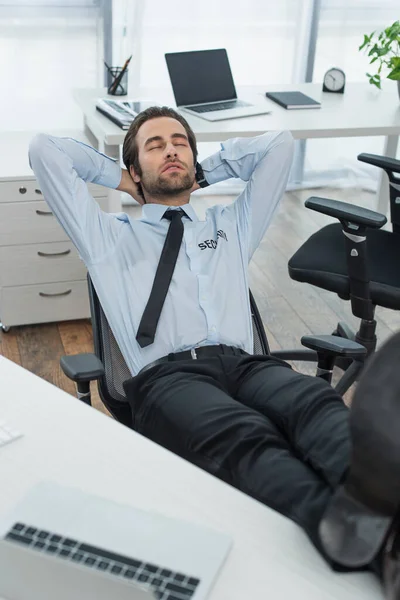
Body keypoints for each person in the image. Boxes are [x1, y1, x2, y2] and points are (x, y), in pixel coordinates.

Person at [29, 107, 400, 596]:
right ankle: (362, 543)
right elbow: (44, 150)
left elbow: (279, 144)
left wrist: (204, 171)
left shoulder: (231, 225)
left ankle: (385, 516)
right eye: (155, 145)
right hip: (168, 378)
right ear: (136, 168)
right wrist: (121, 179)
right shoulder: (107, 238)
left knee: (317, 406)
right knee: (245, 436)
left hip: (246, 365)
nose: (171, 149)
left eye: (180, 142)